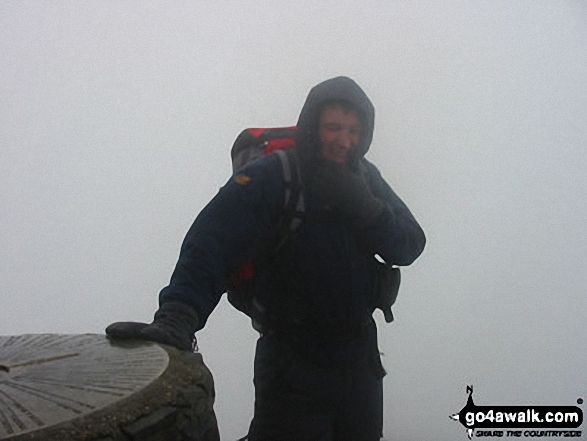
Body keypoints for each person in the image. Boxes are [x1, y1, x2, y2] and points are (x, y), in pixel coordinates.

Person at [106, 76, 426, 441]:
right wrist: (178, 316)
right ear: (312, 126)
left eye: (353, 130)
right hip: (292, 362)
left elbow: (410, 244)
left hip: (360, 362)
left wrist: (366, 208)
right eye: (333, 127)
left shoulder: (367, 179)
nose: (344, 140)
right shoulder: (276, 175)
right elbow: (212, 242)